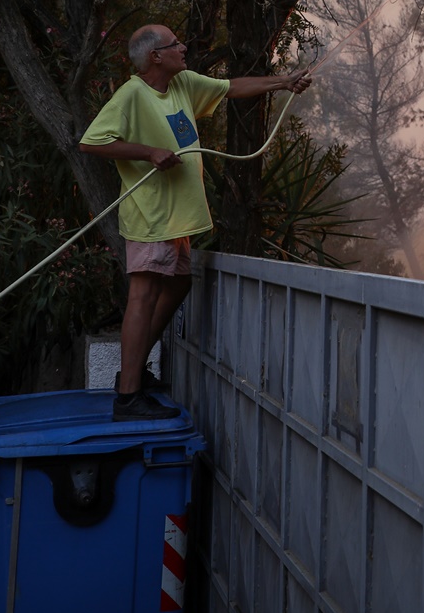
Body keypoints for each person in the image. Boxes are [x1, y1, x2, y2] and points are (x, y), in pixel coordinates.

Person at [80, 24, 310, 421]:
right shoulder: (133, 94)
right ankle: (129, 397)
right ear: (155, 56)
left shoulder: (182, 83)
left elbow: (231, 87)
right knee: (144, 294)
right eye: (174, 45)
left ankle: (130, 375)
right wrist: (149, 152)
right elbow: (92, 141)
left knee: (179, 283)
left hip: (178, 219)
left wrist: (284, 82)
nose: (183, 48)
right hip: (152, 215)